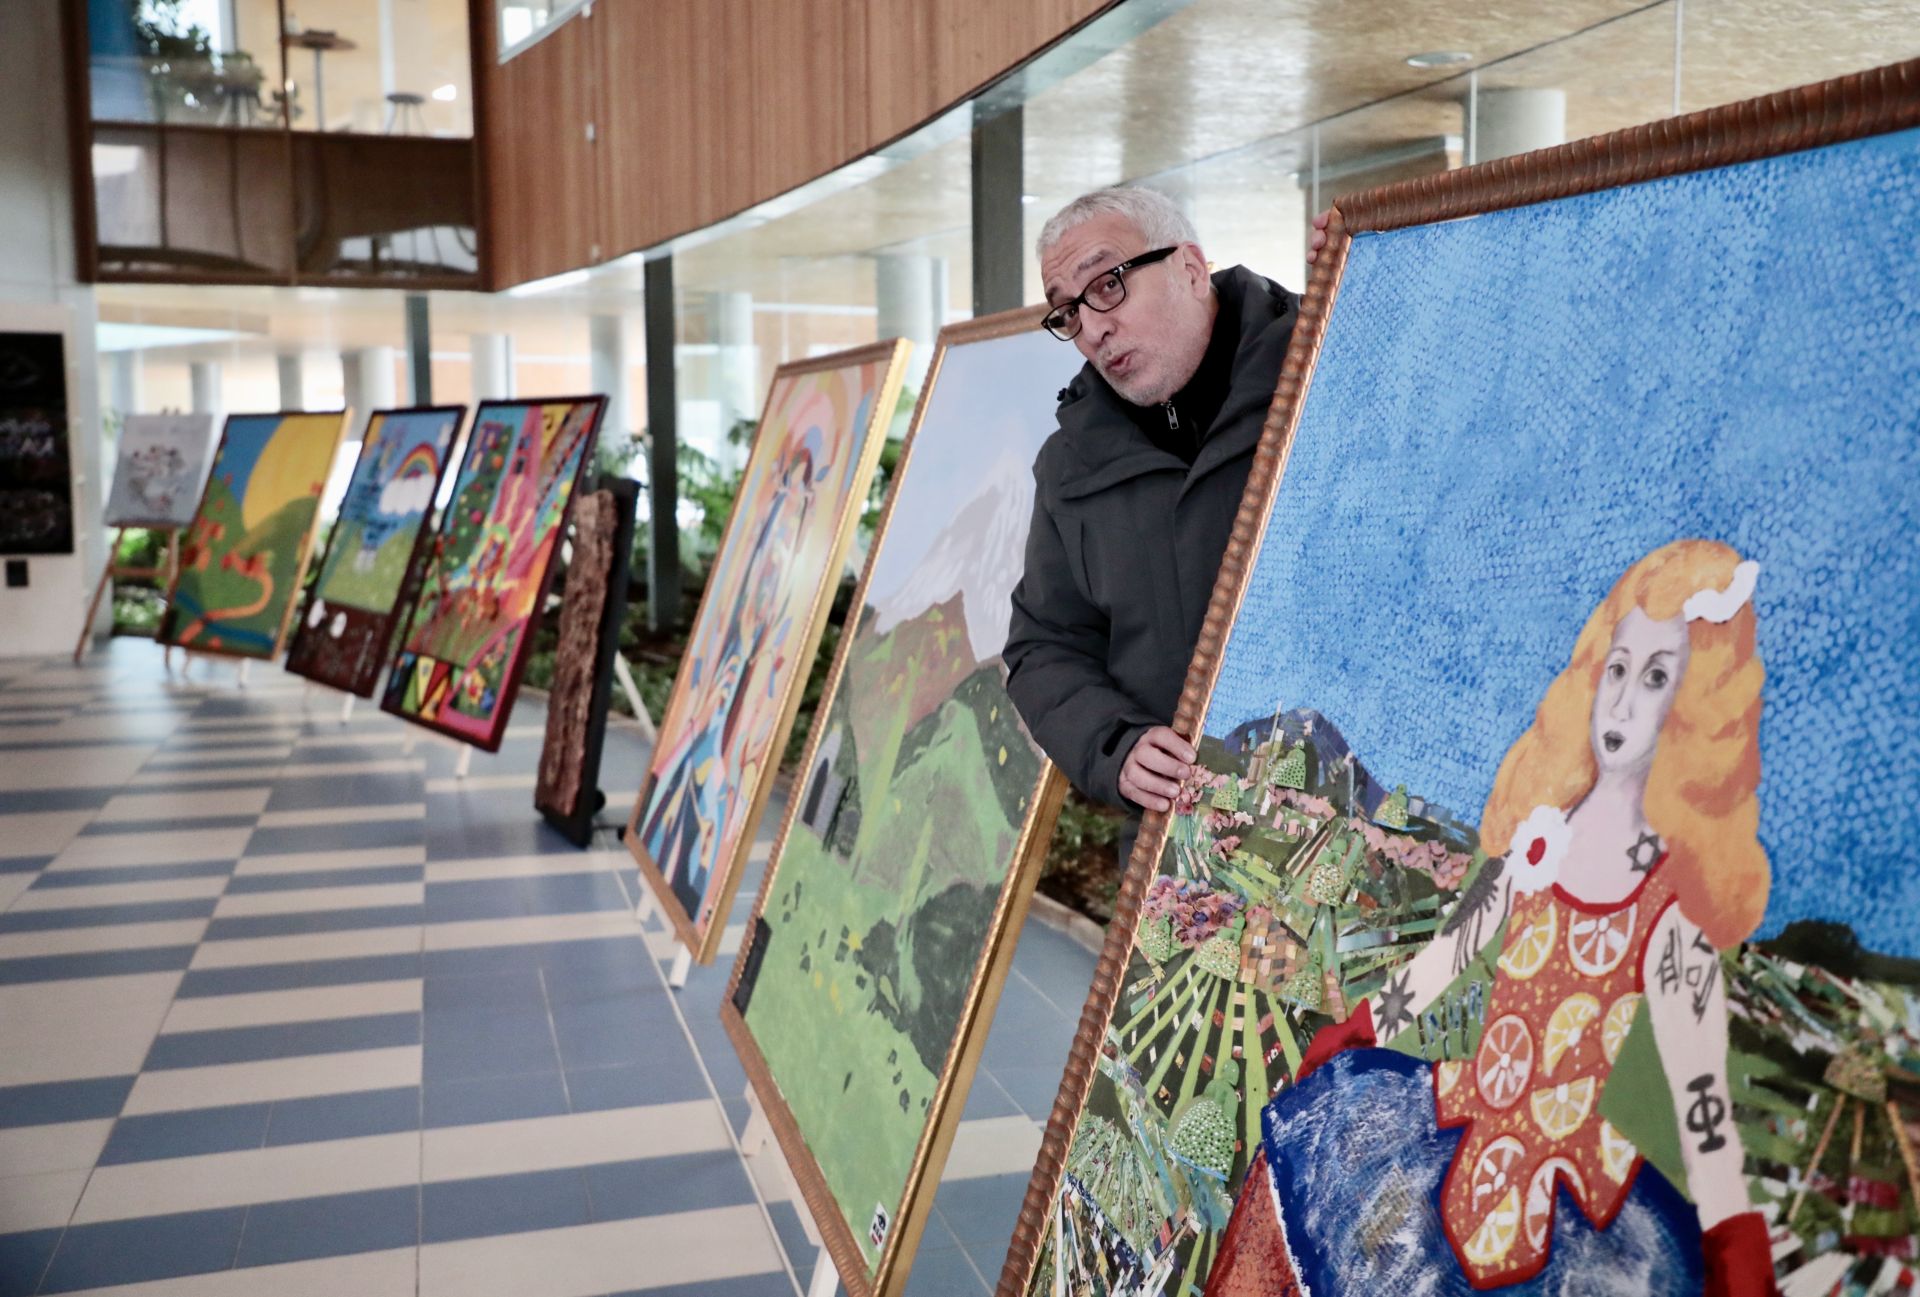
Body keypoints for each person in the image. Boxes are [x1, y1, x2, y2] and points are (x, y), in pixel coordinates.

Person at [1228, 539, 1777, 1296]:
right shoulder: (1540, 843)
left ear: (1696, 711)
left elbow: (1704, 1103)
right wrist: (1359, 1030)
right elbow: (1449, 957)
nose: (1622, 700)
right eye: (1618, 667)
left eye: (1657, 678)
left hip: (1571, 1216)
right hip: (1452, 1141)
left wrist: (1735, 1243)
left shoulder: (1668, 911)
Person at [1004, 186, 1320, 861]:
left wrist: (1378, 293)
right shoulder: (1070, 465)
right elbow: (1043, 646)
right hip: (1181, 857)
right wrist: (1113, 745)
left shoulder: (1325, 369)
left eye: (1108, 285)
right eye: (1067, 312)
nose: (1091, 328)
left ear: (1189, 267)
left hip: (1354, 823)